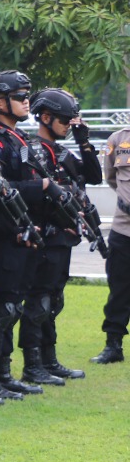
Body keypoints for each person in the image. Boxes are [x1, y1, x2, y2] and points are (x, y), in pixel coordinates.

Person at [0, 71, 47, 400]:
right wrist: (43, 188)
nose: (26, 101)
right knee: (1, 307)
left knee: (12, 306)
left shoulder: (18, 138)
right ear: (0, 102)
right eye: (20, 96)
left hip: (25, 234)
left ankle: (4, 372)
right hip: (5, 236)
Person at [25, 87, 100, 381]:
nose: (69, 125)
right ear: (45, 117)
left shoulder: (62, 151)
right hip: (46, 237)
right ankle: (33, 365)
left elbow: (93, 176)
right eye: (64, 120)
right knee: (39, 300)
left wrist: (84, 141)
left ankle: (49, 360)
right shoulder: (32, 149)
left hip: (63, 239)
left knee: (53, 301)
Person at [94, 121, 130, 363]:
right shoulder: (117, 139)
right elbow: (110, 177)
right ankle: (113, 346)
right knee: (119, 289)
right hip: (123, 229)